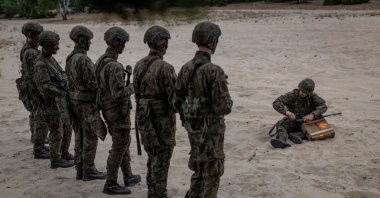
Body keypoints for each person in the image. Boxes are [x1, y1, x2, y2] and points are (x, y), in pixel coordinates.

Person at [175, 21, 233, 198]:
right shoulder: (214, 71)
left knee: (199, 166)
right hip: (212, 131)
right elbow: (223, 107)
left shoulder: (185, 68)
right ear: (213, 41)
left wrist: (192, 114)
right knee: (213, 171)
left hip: (193, 128)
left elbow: (176, 101)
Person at [94, 27, 141, 195]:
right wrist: (133, 87)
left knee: (123, 143)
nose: (123, 45)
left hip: (108, 110)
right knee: (119, 146)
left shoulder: (101, 61)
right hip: (117, 112)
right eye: (120, 42)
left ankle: (128, 175)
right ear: (113, 42)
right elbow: (119, 94)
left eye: (124, 42)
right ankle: (111, 183)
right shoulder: (113, 66)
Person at [133, 25, 177, 198]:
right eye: (163, 39)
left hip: (144, 120)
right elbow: (175, 101)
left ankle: (152, 191)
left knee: (152, 158)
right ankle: (158, 193)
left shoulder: (138, 65)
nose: (165, 43)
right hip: (162, 123)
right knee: (162, 160)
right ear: (160, 42)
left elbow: (136, 94)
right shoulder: (165, 68)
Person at [65, 25, 106, 181]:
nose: (90, 43)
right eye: (88, 40)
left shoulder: (70, 57)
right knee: (90, 136)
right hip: (86, 104)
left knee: (79, 135)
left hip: (74, 102)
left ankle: (80, 168)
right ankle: (88, 170)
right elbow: (92, 83)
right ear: (82, 40)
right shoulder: (83, 59)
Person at [34, 31, 74, 168]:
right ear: (46, 45)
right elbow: (44, 87)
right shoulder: (41, 63)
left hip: (59, 102)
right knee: (56, 131)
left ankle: (63, 152)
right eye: (55, 44)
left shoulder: (50, 58)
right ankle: (55, 159)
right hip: (52, 104)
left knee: (66, 128)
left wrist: (64, 81)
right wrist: (62, 91)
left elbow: (60, 73)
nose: (57, 47)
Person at [17, 22, 50, 159]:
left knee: (35, 114)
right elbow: (37, 73)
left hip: (30, 87)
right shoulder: (31, 52)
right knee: (41, 117)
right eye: (37, 35)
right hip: (34, 89)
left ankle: (36, 139)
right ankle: (39, 148)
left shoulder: (28, 49)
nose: (39, 37)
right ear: (30, 35)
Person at [270, 78, 328, 149]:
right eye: (302, 91)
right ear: (299, 88)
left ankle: (298, 136)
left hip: (309, 121)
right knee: (281, 125)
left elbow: (323, 106)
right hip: (295, 120)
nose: (304, 94)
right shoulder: (291, 95)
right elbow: (276, 103)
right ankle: (281, 140)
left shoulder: (312, 96)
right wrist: (286, 112)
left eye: (306, 93)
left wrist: (313, 115)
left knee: (322, 125)